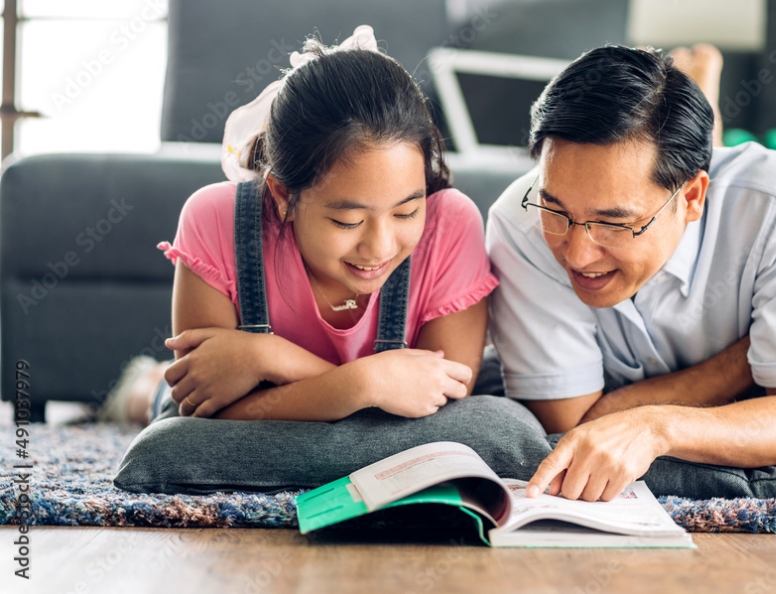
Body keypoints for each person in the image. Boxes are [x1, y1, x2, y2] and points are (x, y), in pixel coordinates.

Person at [486, 43, 776, 503]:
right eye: (555, 208)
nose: (578, 255)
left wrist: (656, 427)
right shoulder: (518, 223)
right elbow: (573, 427)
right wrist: (749, 361)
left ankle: (706, 96)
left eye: (614, 223)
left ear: (693, 197)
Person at [101, 25, 497, 425]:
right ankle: (141, 383)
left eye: (406, 213)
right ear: (283, 194)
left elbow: (444, 398)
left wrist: (269, 358)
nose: (379, 247)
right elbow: (206, 410)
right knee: (158, 399)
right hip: (188, 400)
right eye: (348, 220)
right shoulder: (215, 219)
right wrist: (373, 385)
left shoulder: (452, 223)